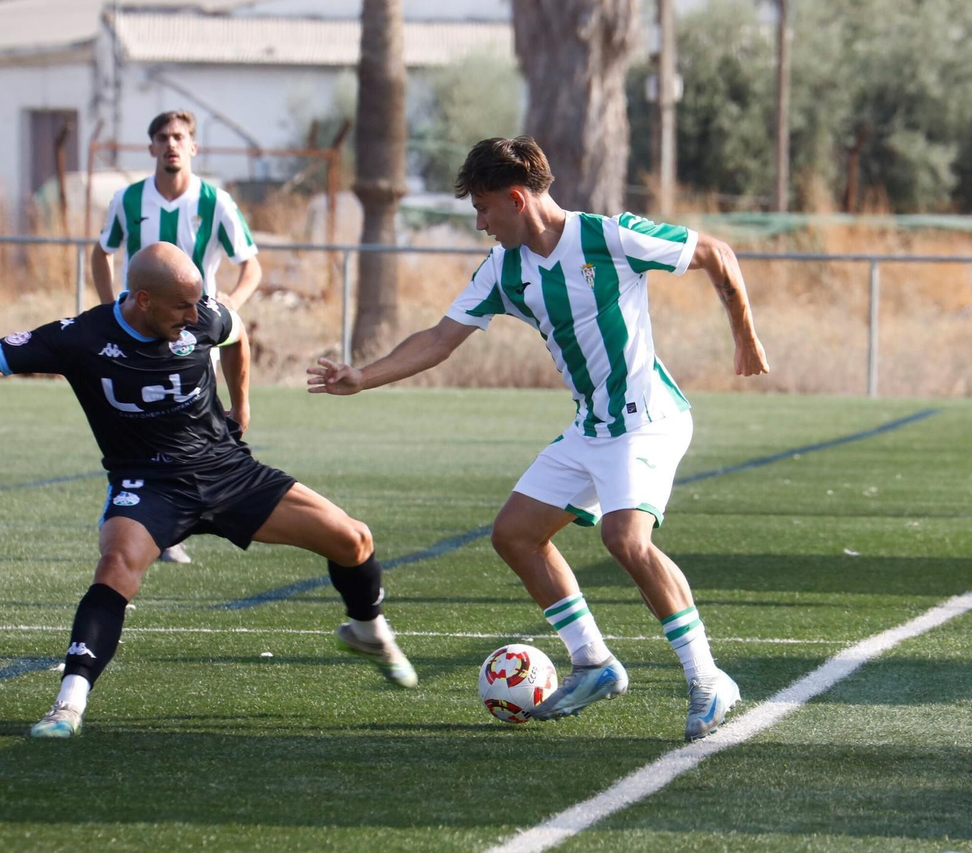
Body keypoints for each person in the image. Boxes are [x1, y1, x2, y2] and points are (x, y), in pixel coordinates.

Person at [308, 136, 769, 742]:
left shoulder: (609, 237)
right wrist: (362, 377)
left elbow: (715, 252)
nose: (481, 223)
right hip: (591, 426)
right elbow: (440, 338)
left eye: (483, 209)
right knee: (515, 535)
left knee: (624, 538)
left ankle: (708, 679)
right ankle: (594, 663)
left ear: (517, 199)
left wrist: (745, 335)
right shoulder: (504, 269)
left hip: (648, 420)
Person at [0, 243, 415, 738]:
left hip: (226, 471)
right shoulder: (81, 337)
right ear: (143, 300)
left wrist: (242, 404)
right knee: (117, 566)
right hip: (148, 484)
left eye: (198, 303)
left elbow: (237, 333)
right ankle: (68, 705)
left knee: (354, 539)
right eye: (182, 306)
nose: (195, 316)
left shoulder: (203, 316)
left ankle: (367, 630)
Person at [92, 110, 263, 565]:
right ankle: (151, 525)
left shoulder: (216, 202)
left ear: (193, 146)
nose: (172, 144)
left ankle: (177, 520)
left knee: (194, 430)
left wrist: (231, 304)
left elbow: (251, 266)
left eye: (180, 136)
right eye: (163, 137)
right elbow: (101, 252)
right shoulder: (128, 200)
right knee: (141, 429)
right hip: (140, 332)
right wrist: (110, 311)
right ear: (151, 147)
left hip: (195, 331)